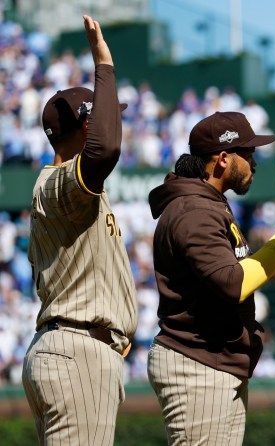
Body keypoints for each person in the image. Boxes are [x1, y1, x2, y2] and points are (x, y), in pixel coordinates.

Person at [147, 111, 275, 446]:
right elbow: (234, 284)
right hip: (197, 363)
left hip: (212, 361)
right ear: (224, 158)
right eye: (248, 154)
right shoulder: (195, 212)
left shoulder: (209, 204)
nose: (255, 163)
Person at [21, 16, 137, 445]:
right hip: (76, 351)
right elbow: (106, 148)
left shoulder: (67, 192)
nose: (116, 122)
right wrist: (103, 62)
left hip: (73, 346)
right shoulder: (59, 186)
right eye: (107, 117)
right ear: (87, 128)